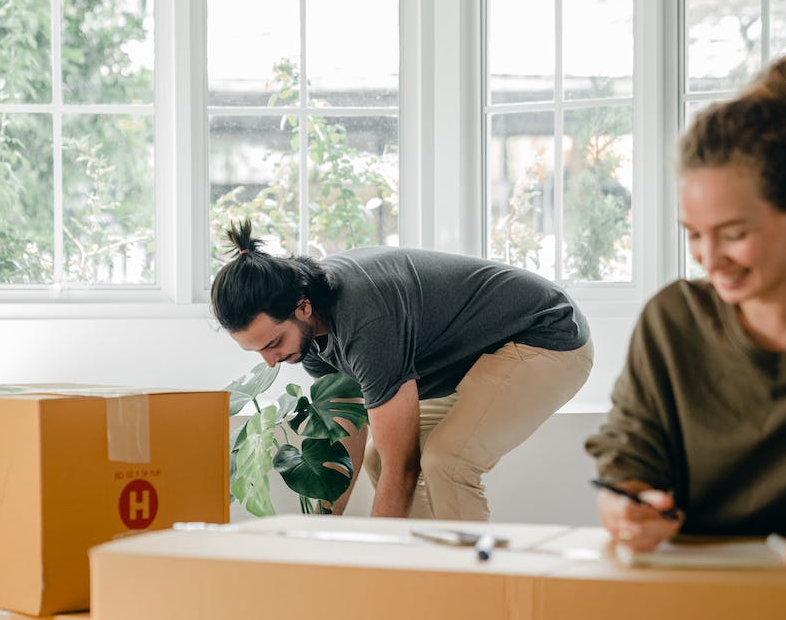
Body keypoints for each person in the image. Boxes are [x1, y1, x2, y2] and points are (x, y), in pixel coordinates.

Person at [585, 54, 786, 567]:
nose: (711, 258)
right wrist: (625, 508)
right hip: (696, 604)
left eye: (735, 234)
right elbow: (627, 463)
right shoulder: (673, 320)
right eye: (695, 235)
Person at [211, 222, 592, 520]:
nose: (271, 361)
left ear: (303, 308)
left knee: (448, 461)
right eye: (257, 351)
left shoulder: (366, 321)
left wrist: (378, 567)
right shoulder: (309, 340)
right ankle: (426, 574)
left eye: (273, 343)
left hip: (546, 336)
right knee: (381, 458)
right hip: (479, 359)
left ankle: (470, 598)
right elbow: (348, 431)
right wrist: (327, 524)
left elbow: (403, 465)